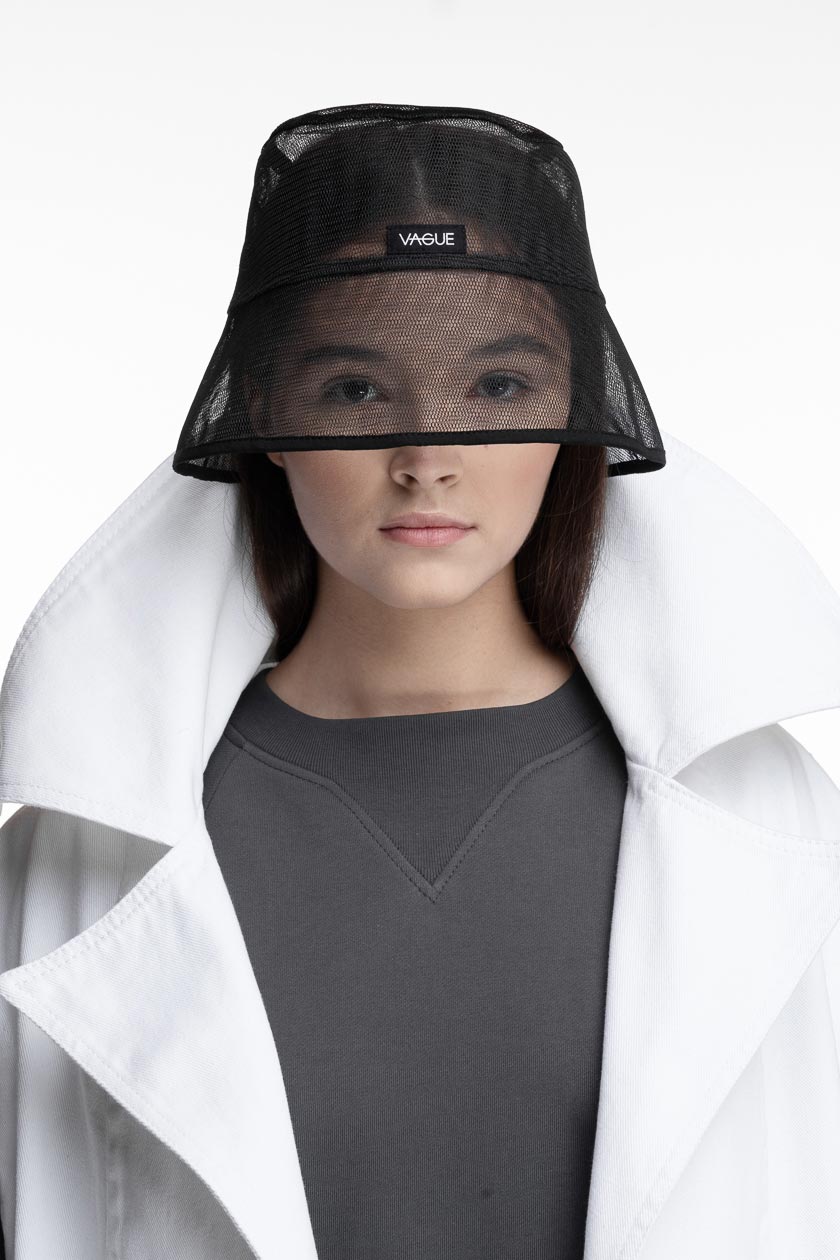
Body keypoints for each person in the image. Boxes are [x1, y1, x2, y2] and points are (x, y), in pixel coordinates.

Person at [1, 102, 840, 1260]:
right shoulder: (76, 858)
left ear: (574, 412)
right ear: (264, 416)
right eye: (355, 388)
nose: (426, 456)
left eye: (496, 386)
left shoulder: (778, 821)